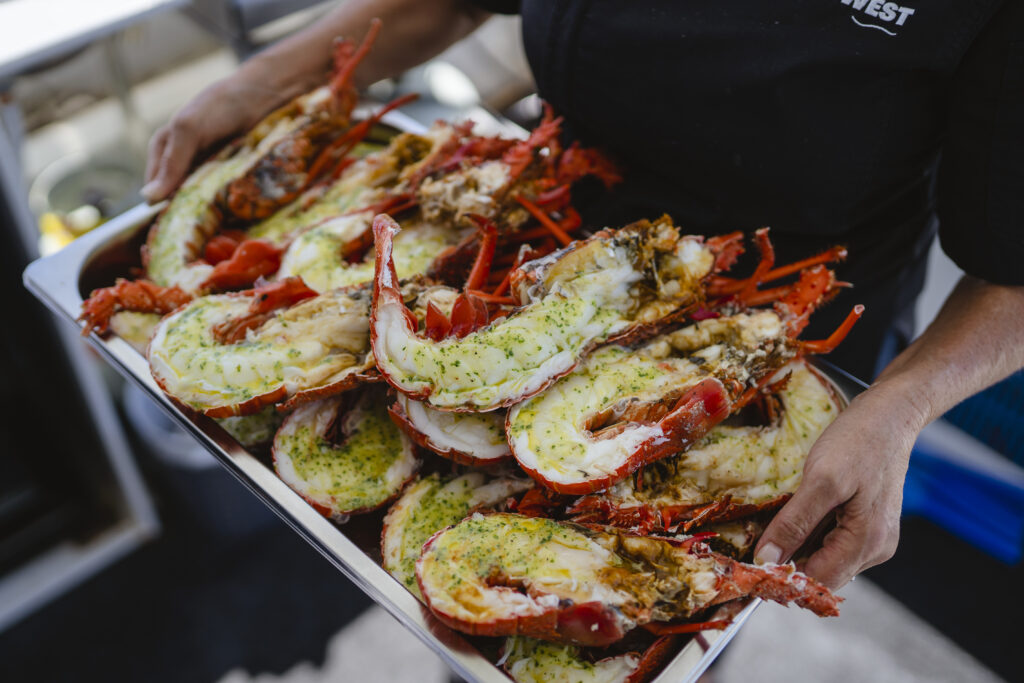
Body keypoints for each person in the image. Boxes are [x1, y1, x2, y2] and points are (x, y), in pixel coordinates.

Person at [141, 0, 1024, 590]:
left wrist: (903, 409)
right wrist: (269, 77)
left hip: (789, 300)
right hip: (551, 226)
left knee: (655, 579)